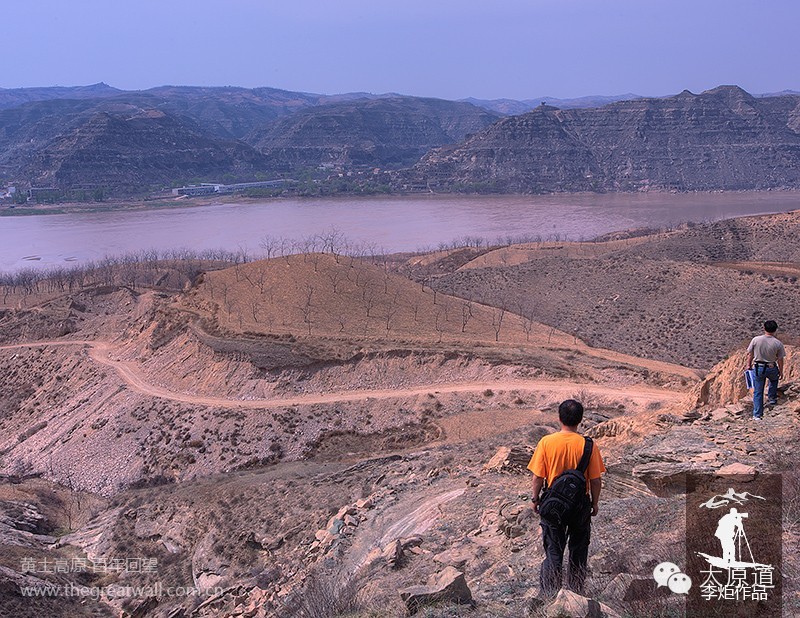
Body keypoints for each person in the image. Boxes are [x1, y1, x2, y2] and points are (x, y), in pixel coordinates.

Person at [528, 399, 606, 596]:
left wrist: (535, 499)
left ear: (559, 417)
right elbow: (595, 480)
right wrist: (594, 503)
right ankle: (577, 595)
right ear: (580, 419)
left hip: (553, 505)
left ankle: (550, 596)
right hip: (580, 505)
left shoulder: (546, 442)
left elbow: (538, 477)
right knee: (578, 551)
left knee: (554, 551)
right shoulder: (588, 445)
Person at [745, 320, 786, 420]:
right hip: (771, 367)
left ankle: (757, 415)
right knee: (774, 380)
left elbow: (750, 354)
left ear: (764, 328)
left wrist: (748, 365)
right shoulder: (778, 343)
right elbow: (780, 359)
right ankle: (772, 399)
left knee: (758, 391)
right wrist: (781, 371)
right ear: (775, 330)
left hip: (758, 368)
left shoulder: (756, 340)